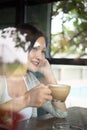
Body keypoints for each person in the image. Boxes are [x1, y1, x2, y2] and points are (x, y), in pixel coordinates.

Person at [0, 24, 67, 120]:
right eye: (34, 48)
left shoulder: (30, 80)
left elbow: (61, 113)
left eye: (42, 51)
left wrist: (49, 75)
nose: (40, 56)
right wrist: (26, 100)